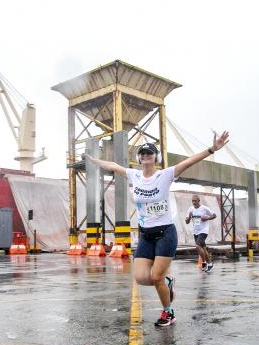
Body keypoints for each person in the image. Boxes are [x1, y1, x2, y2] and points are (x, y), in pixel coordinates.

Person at [85, 132, 230, 327]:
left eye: (149, 153)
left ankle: (168, 312)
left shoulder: (165, 175)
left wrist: (212, 149)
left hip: (165, 234)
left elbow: (189, 162)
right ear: (139, 158)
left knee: (156, 277)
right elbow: (113, 166)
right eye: (142, 153)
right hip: (146, 235)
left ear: (156, 157)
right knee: (141, 277)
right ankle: (168, 282)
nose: (146, 156)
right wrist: (95, 161)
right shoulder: (134, 175)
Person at [185, 195, 217, 272]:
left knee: (198, 246)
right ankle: (210, 264)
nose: (193, 202)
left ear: (199, 201)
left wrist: (207, 218)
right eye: (192, 201)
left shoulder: (204, 208)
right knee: (203, 249)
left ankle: (204, 262)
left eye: (195, 201)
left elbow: (214, 215)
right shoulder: (190, 209)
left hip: (204, 230)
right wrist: (189, 217)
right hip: (195, 231)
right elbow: (187, 222)